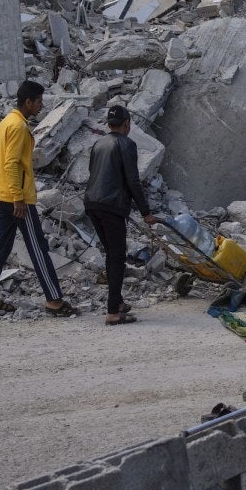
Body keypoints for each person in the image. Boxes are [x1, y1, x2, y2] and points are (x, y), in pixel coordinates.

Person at [0, 81, 83, 319]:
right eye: (39, 101)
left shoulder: (8, 121)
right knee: (38, 247)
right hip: (17, 198)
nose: (41, 105)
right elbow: (12, 164)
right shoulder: (18, 126)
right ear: (27, 102)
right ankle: (54, 300)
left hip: (4, 194)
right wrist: (19, 198)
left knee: (1, 246)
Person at [83, 103, 158, 324]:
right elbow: (133, 180)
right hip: (112, 206)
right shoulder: (127, 144)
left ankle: (118, 302)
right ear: (127, 123)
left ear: (108, 124)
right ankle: (113, 312)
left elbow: (92, 172)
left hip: (92, 204)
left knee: (111, 253)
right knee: (117, 257)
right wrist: (146, 212)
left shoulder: (98, 143)